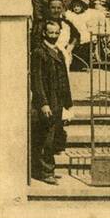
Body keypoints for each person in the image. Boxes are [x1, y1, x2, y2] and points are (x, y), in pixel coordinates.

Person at [30, 19, 73, 185]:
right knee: (45, 139)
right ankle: (44, 172)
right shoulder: (39, 52)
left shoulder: (59, 52)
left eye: (57, 33)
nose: (54, 36)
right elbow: (37, 80)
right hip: (47, 103)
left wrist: (68, 103)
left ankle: (48, 170)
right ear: (44, 33)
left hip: (58, 101)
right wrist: (43, 103)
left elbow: (65, 79)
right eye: (51, 33)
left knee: (53, 137)